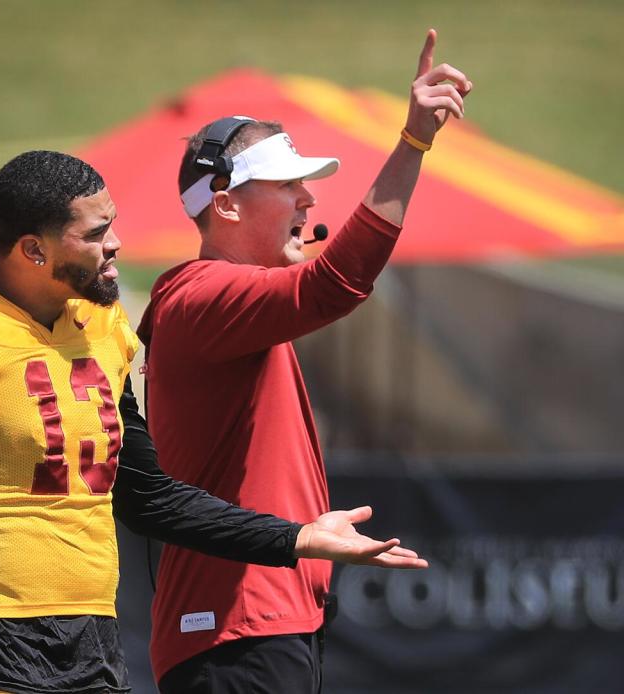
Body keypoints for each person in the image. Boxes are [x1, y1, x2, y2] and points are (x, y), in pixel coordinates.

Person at [0, 149, 427, 694]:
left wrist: (295, 538)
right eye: (95, 234)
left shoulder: (101, 330)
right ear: (33, 250)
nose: (116, 243)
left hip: (94, 646)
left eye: (111, 223)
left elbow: (147, 496)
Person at [139, 29, 471, 693]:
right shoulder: (200, 295)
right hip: (233, 637)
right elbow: (335, 285)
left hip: (252, 632)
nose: (309, 200)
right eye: (287, 184)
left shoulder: (222, 302)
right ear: (225, 203)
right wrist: (411, 146)